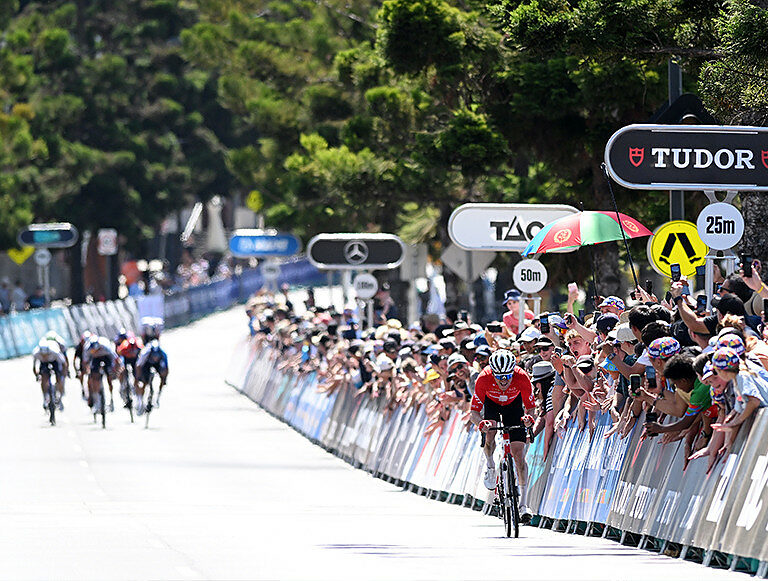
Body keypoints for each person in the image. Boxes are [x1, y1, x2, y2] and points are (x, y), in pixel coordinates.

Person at [469, 349, 535, 522]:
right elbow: (473, 413)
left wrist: (529, 419)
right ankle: (491, 467)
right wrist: (481, 424)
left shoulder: (521, 377)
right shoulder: (483, 378)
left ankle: (523, 504)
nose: (503, 381)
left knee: (519, 455)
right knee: (489, 435)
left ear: (513, 371)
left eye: (507, 376)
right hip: (492, 405)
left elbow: (531, 408)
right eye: (499, 377)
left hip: (514, 406)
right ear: (493, 373)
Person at [82, 335, 121, 412]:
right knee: (94, 377)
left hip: (106, 357)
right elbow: (85, 362)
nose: (96, 351)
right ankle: (97, 401)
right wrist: (87, 371)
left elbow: (116, 359)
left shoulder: (105, 346)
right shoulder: (87, 348)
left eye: (97, 350)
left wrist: (116, 371)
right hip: (95, 359)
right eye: (94, 351)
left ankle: (111, 397)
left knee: (109, 376)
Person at [32, 339, 68, 411]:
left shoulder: (55, 352)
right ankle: (45, 397)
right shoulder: (36, 353)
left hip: (55, 362)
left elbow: (64, 364)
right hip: (44, 364)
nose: (45, 356)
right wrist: (37, 375)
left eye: (46, 355)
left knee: (59, 379)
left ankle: (59, 397)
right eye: (43, 355)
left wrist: (63, 374)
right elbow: (34, 367)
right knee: (44, 378)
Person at [135, 340, 169, 414]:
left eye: (156, 356)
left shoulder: (163, 354)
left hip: (157, 365)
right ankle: (140, 401)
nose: (155, 358)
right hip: (146, 364)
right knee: (143, 382)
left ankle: (158, 396)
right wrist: (139, 378)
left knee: (163, 374)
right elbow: (138, 365)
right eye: (154, 356)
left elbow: (166, 368)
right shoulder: (145, 353)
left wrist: (164, 379)